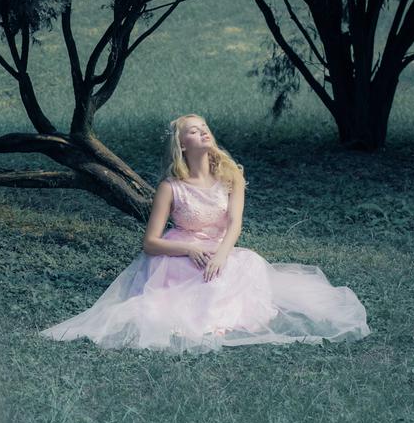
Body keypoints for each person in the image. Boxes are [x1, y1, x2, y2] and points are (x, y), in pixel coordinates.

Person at [40, 114, 371, 353]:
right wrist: (189, 249)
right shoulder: (171, 187)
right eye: (194, 131)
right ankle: (199, 318)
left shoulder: (231, 177)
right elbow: (150, 243)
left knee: (245, 266)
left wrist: (221, 255)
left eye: (204, 129)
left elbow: (235, 224)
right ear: (182, 144)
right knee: (190, 287)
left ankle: (224, 319)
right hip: (179, 253)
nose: (203, 133)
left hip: (218, 248)